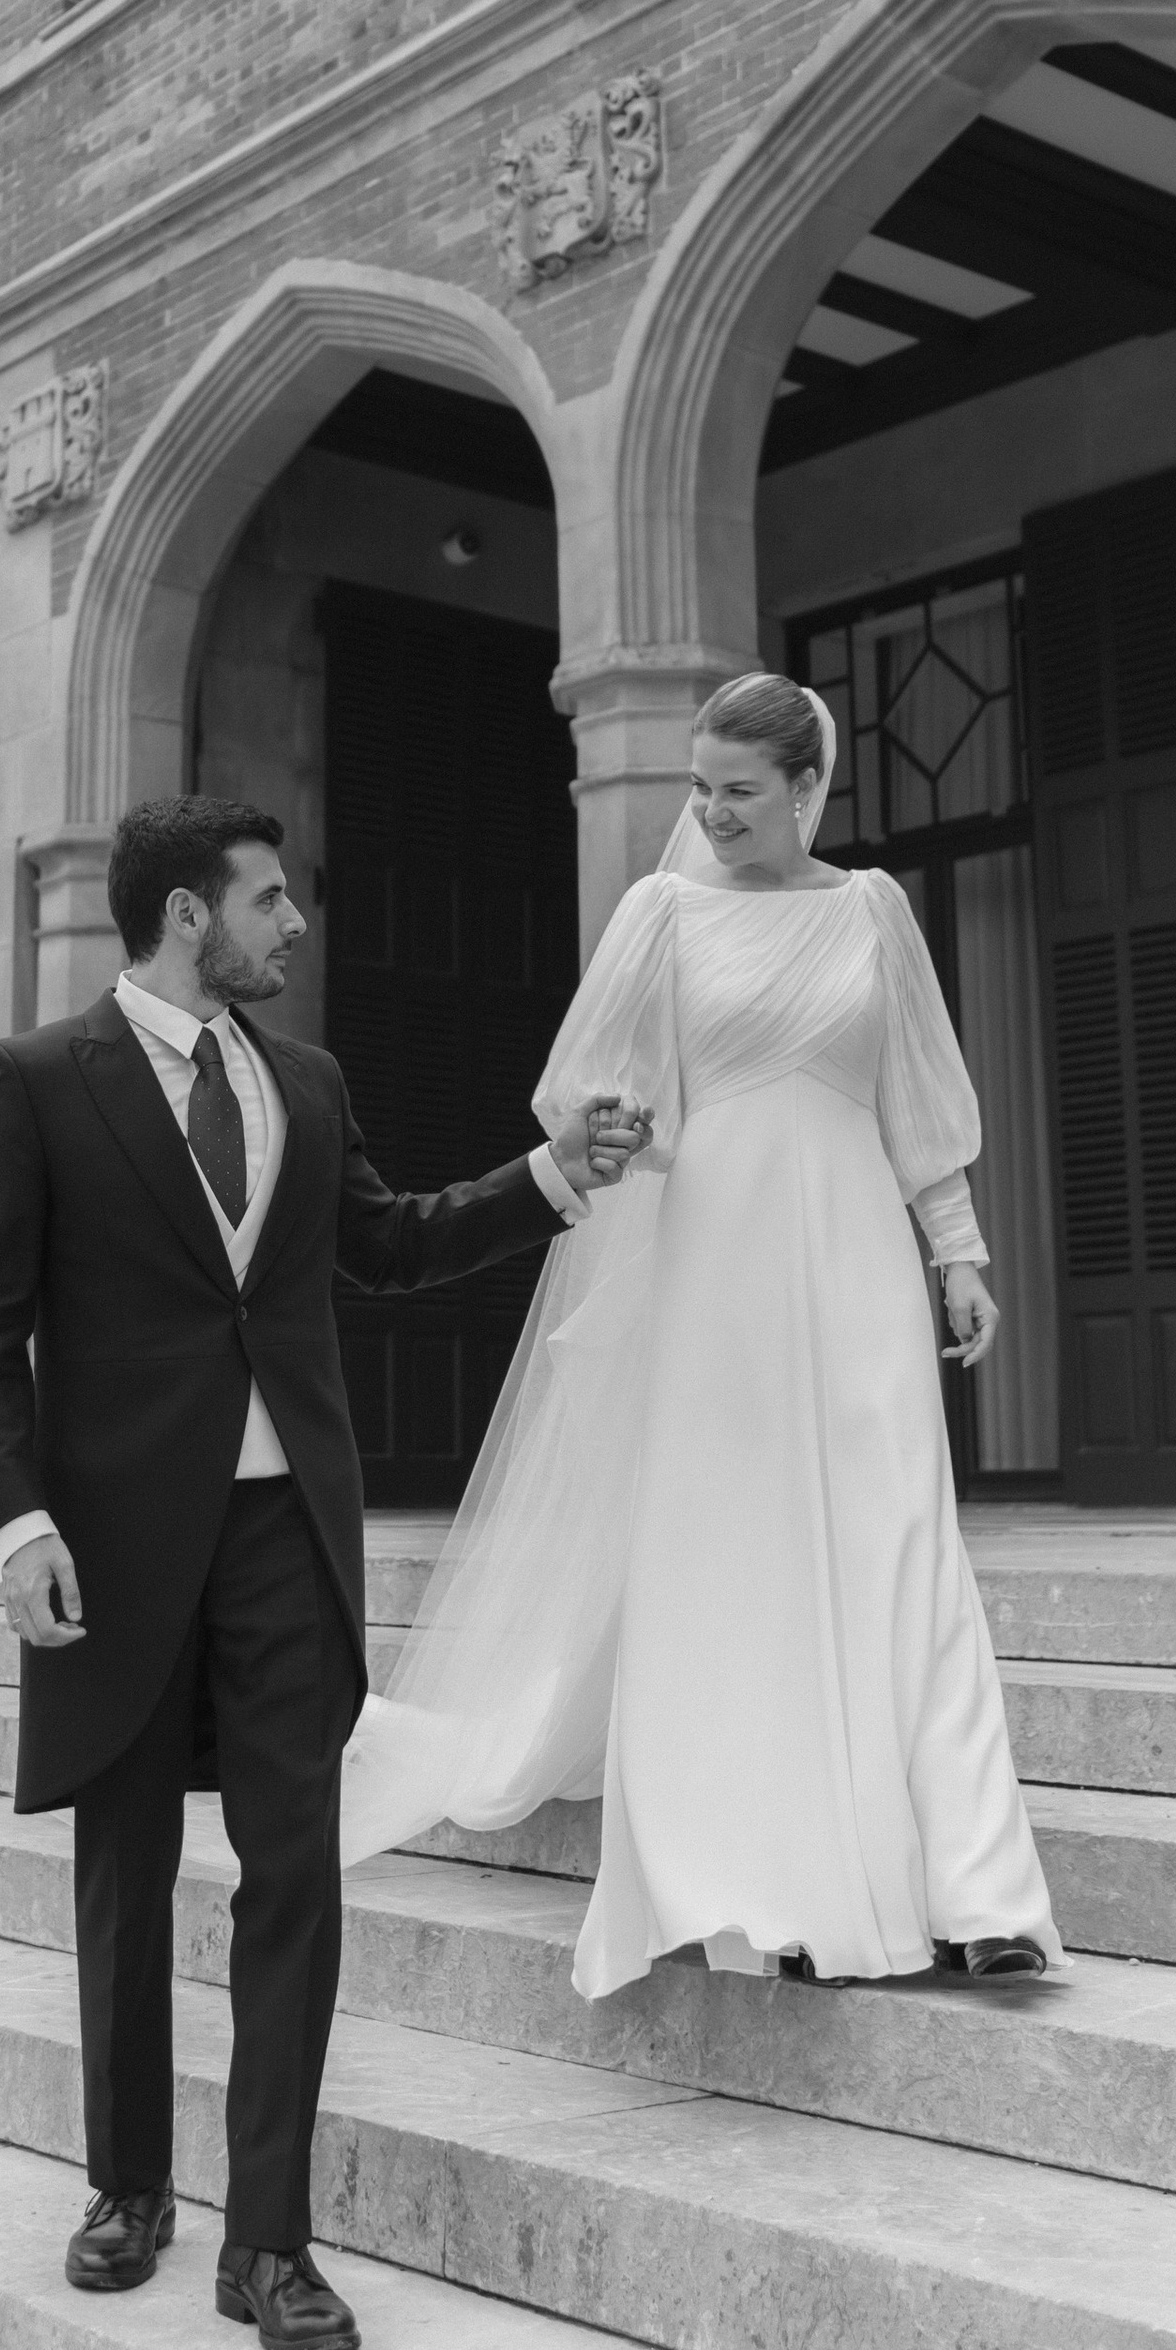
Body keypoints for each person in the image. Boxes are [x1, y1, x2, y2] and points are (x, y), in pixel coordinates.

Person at [0, 793, 646, 2350]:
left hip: (282, 1540)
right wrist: (16, 1524)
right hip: (112, 1549)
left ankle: (271, 2239)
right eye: (268, 901)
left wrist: (547, 1176)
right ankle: (128, 2185)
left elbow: (385, 1245)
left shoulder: (305, 1085)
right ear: (190, 914)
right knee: (123, 1877)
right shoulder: (39, 1083)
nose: (294, 926)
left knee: (297, 1879)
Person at [341, 674, 1058, 1997]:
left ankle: (983, 1892)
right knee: (741, 1559)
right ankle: (756, 1878)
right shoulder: (661, 913)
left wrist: (959, 1254)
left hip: (858, 1262)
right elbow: (592, 1089)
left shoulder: (874, 911)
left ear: (805, 790)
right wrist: (622, 1127)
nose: (711, 810)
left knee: (908, 1543)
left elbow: (917, 1101)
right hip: (715, 1260)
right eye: (699, 785)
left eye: (738, 789)